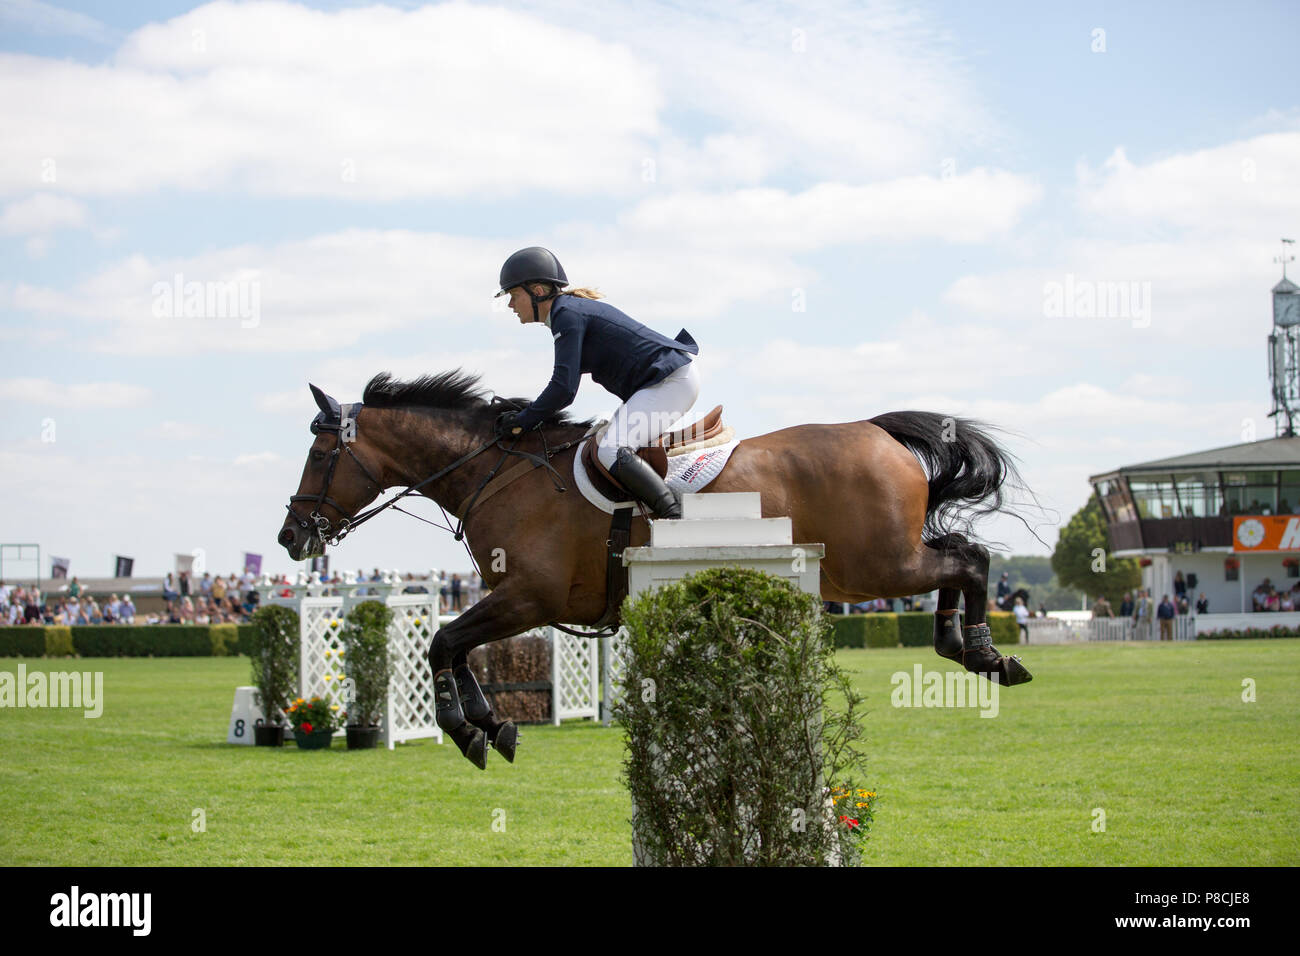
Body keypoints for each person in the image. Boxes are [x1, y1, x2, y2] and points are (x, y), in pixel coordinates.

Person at [494, 246, 700, 519]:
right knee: (603, 442)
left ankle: (673, 517)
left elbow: (563, 389)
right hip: (662, 381)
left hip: (670, 380)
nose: (510, 305)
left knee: (611, 450)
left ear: (538, 291)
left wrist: (523, 421)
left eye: (514, 295)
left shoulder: (567, 315)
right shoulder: (567, 312)